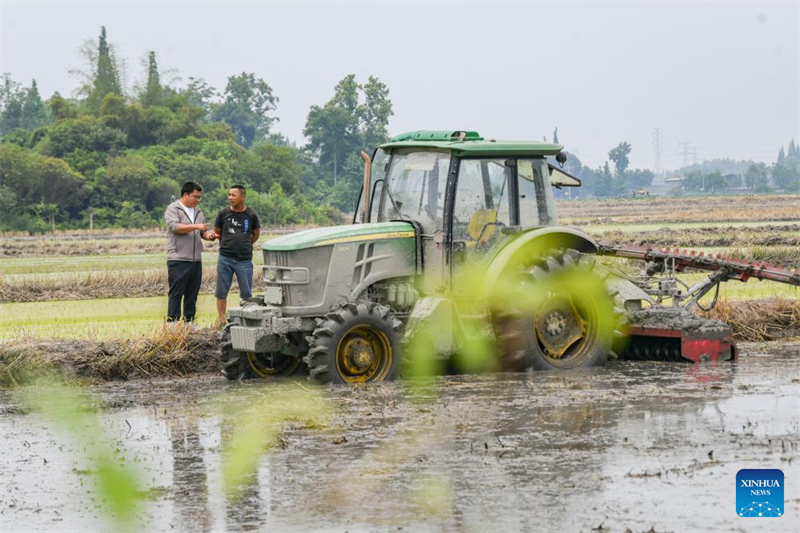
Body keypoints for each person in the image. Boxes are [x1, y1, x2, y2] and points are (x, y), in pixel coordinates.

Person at [164, 181, 217, 322]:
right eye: (195, 196)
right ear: (185, 194)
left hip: (196, 260)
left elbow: (202, 232)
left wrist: (210, 236)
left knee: (192, 294)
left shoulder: (198, 212)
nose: (197, 200)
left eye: (199, 197)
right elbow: (174, 227)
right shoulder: (173, 209)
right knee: (176, 293)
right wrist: (196, 226)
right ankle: (172, 325)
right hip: (178, 258)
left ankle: (189, 324)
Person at [214, 185, 261, 324]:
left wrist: (244, 244)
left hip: (244, 260)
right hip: (225, 258)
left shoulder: (251, 214)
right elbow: (218, 232)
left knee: (246, 293)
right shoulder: (223, 213)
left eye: (233, 195)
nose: (230, 198)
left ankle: (246, 319)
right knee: (221, 290)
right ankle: (222, 320)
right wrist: (228, 244)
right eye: (229, 195)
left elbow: (255, 234)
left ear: (243, 197)